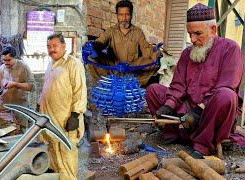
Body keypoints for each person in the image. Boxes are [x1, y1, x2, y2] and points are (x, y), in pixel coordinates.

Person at [146, 3, 243, 158]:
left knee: (227, 96)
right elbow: (178, 86)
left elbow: (227, 85)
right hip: (187, 110)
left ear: (213, 30)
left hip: (209, 112)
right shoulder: (187, 54)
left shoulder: (230, 49)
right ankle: (175, 133)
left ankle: (203, 145)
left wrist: (198, 112)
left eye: (198, 34)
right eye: (190, 34)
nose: (192, 39)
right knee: (153, 90)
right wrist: (168, 106)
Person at [38, 33, 87, 179]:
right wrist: (39, 105)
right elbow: (46, 88)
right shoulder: (50, 64)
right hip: (49, 119)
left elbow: (80, 90)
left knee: (66, 155)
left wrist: (75, 115)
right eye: (48, 46)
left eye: (54, 46)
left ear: (64, 46)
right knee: (52, 154)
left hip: (65, 120)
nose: (51, 49)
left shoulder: (73, 63)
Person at [88, 0, 159, 86]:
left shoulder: (138, 32)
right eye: (121, 15)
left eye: (127, 14)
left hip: (132, 68)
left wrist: (155, 53)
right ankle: (106, 84)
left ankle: (135, 83)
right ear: (117, 16)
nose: (124, 18)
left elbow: (145, 49)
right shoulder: (110, 31)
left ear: (131, 15)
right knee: (91, 59)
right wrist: (92, 47)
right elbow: (100, 42)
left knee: (154, 63)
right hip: (113, 67)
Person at [0, 46, 34, 128]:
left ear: (15, 58)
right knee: (5, 130)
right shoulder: (2, 68)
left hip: (19, 107)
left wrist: (15, 84)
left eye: (9, 60)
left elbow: (32, 87)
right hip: (4, 106)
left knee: (20, 132)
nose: (6, 62)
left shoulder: (24, 67)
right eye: (4, 60)